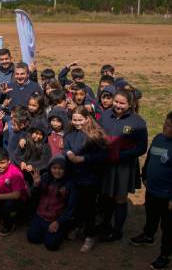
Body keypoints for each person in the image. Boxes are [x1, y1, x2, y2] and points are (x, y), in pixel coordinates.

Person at [130, 110, 172, 270]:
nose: (164, 126)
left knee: (168, 227)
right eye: (165, 123)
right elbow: (150, 157)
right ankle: (148, 235)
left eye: (169, 125)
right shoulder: (159, 138)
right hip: (152, 190)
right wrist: (145, 175)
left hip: (168, 197)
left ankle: (165, 255)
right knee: (151, 215)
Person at [99, 89, 148, 242]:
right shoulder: (105, 115)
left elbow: (141, 148)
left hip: (124, 167)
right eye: (116, 101)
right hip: (106, 163)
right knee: (107, 196)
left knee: (120, 198)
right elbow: (99, 134)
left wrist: (120, 155)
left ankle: (117, 230)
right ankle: (105, 224)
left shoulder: (138, 122)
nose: (118, 105)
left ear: (130, 104)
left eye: (122, 103)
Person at [64, 106, 108, 253]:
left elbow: (103, 155)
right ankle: (78, 226)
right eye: (74, 120)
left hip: (90, 177)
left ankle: (90, 235)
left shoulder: (95, 135)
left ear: (87, 119)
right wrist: (69, 153)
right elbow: (66, 146)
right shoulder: (70, 134)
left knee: (89, 207)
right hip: (74, 176)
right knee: (76, 204)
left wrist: (84, 158)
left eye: (80, 120)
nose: (77, 123)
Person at [27, 155, 76, 251]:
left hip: (55, 220)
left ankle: (62, 230)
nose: (57, 171)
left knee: (51, 245)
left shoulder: (69, 184)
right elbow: (33, 196)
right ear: (50, 168)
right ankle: (43, 230)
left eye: (61, 168)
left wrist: (58, 222)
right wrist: (35, 185)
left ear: (65, 170)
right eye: (54, 168)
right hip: (40, 216)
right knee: (33, 238)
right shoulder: (45, 177)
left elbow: (71, 207)